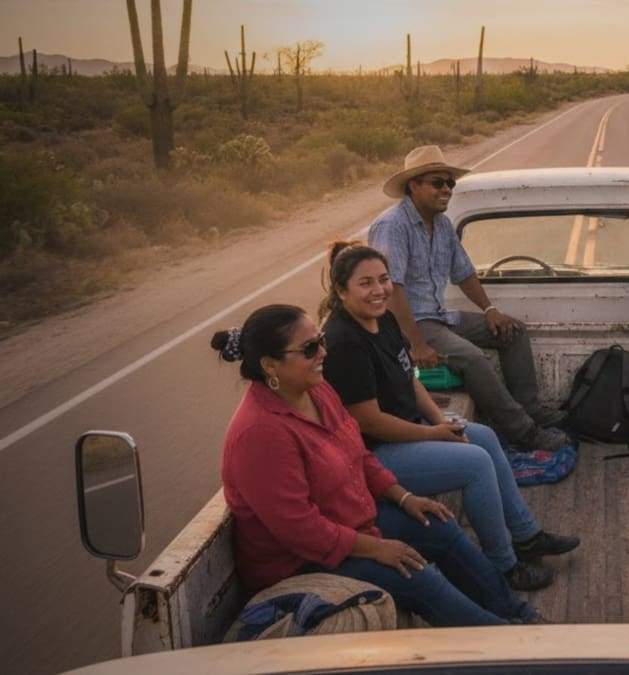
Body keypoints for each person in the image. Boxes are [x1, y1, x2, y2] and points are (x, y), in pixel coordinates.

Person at [212, 304, 545, 627]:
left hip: (349, 523)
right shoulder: (261, 433)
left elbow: (359, 454)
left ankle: (513, 610)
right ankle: (502, 644)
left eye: (322, 341)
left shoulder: (318, 391)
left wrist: (404, 498)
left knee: (438, 525)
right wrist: (376, 548)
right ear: (270, 366)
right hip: (300, 562)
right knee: (414, 575)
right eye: (310, 348)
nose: (323, 353)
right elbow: (299, 529)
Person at [318, 241, 579, 592]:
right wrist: (432, 435)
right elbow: (369, 422)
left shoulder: (385, 320)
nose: (379, 290)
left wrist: (441, 422)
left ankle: (526, 535)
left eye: (383, 280)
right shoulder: (344, 342)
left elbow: (409, 381)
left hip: (411, 430)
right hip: (375, 455)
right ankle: (503, 567)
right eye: (365, 283)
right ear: (341, 290)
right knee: (475, 463)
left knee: (483, 436)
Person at [367, 145, 567, 453]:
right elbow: (390, 289)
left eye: (450, 183)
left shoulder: (442, 224)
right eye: (438, 183)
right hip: (410, 324)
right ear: (414, 186)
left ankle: (530, 408)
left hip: (439, 317)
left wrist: (490, 310)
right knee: (471, 358)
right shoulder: (393, 225)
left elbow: (463, 272)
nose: (446, 189)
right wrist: (417, 343)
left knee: (512, 331)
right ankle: (523, 432)